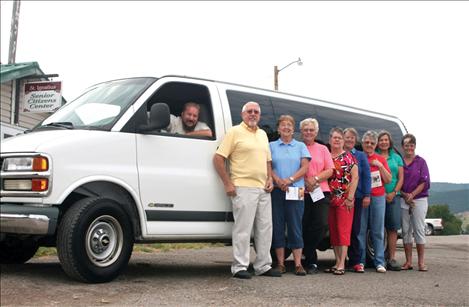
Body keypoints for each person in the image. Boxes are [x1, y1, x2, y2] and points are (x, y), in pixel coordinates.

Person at [213, 101, 280, 279]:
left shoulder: (263, 134)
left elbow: (267, 161)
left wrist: (270, 178)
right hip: (243, 187)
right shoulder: (235, 132)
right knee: (243, 229)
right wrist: (227, 183)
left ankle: (263, 265)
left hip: (263, 189)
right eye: (249, 111)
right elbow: (218, 158)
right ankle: (239, 266)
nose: (252, 114)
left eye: (256, 112)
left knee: (265, 228)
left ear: (259, 115)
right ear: (243, 114)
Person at [270, 115, 310, 276]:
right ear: (278, 129)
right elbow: (268, 166)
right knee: (278, 225)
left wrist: (290, 179)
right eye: (283, 125)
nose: (286, 127)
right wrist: (278, 180)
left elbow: (305, 167)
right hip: (277, 190)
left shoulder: (300, 146)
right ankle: (280, 264)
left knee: (295, 226)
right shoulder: (271, 145)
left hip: (296, 190)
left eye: (289, 125)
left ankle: (298, 264)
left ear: (293, 129)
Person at [300, 118, 334, 274]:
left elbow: (330, 170)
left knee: (321, 224)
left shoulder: (323, 149)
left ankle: (307, 250)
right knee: (303, 224)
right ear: (301, 131)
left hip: (320, 191)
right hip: (301, 192)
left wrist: (315, 179)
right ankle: (311, 261)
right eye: (305, 129)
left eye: (311, 129)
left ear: (316, 132)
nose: (308, 132)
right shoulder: (297, 147)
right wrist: (304, 181)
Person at [325, 128, 358, 276]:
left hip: (345, 200)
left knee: (343, 231)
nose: (337, 140)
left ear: (343, 141)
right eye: (334, 138)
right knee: (334, 232)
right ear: (330, 140)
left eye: (340, 138)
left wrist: (350, 197)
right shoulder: (327, 156)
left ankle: (342, 263)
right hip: (329, 199)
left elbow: (355, 177)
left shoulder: (349, 157)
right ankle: (337, 261)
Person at [359, 130, 392, 273]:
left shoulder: (380, 159)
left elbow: (388, 179)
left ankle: (379, 261)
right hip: (361, 197)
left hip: (378, 197)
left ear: (375, 144)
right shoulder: (359, 157)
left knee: (377, 230)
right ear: (363, 143)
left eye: (372, 143)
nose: (369, 145)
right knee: (360, 230)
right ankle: (360, 261)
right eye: (367, 142)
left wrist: (380, 166)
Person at [400, 133, 431, 272]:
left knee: (418, 229)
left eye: (411, 145)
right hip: (402, 198)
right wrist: (404, 194)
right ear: (402, 146)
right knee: (406, 230)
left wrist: (412, 195)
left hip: (419, 199)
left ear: (415, 146)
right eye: (407, 145)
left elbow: (424, 182)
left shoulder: (421, 162)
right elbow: (397, 181)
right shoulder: (400, 161)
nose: (409, 148)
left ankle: (421, 262)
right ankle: (408, 262)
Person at [343, 127, 371, 273]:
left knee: (355, 229)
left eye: (352, 138)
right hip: (340, 197)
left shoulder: (360, 156)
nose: (349, 140)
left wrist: (367, 194)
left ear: (355, 140)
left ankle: (355, 260)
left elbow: (366, 176)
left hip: (358, 197)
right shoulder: (337, 154)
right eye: (347, 137)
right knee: (342, 229)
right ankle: (340, 260)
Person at [376, 130, 404, 271]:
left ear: (390, 141)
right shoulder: (374, 156)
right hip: (378, 195)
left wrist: (393, 192)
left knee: (392, 228)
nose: (383, 142)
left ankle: (392, 258)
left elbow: (401, 178)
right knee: (378, 227)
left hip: (393, 196)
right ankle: (380, 257)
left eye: (386, 140)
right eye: (381, 140)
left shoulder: (396, 157)